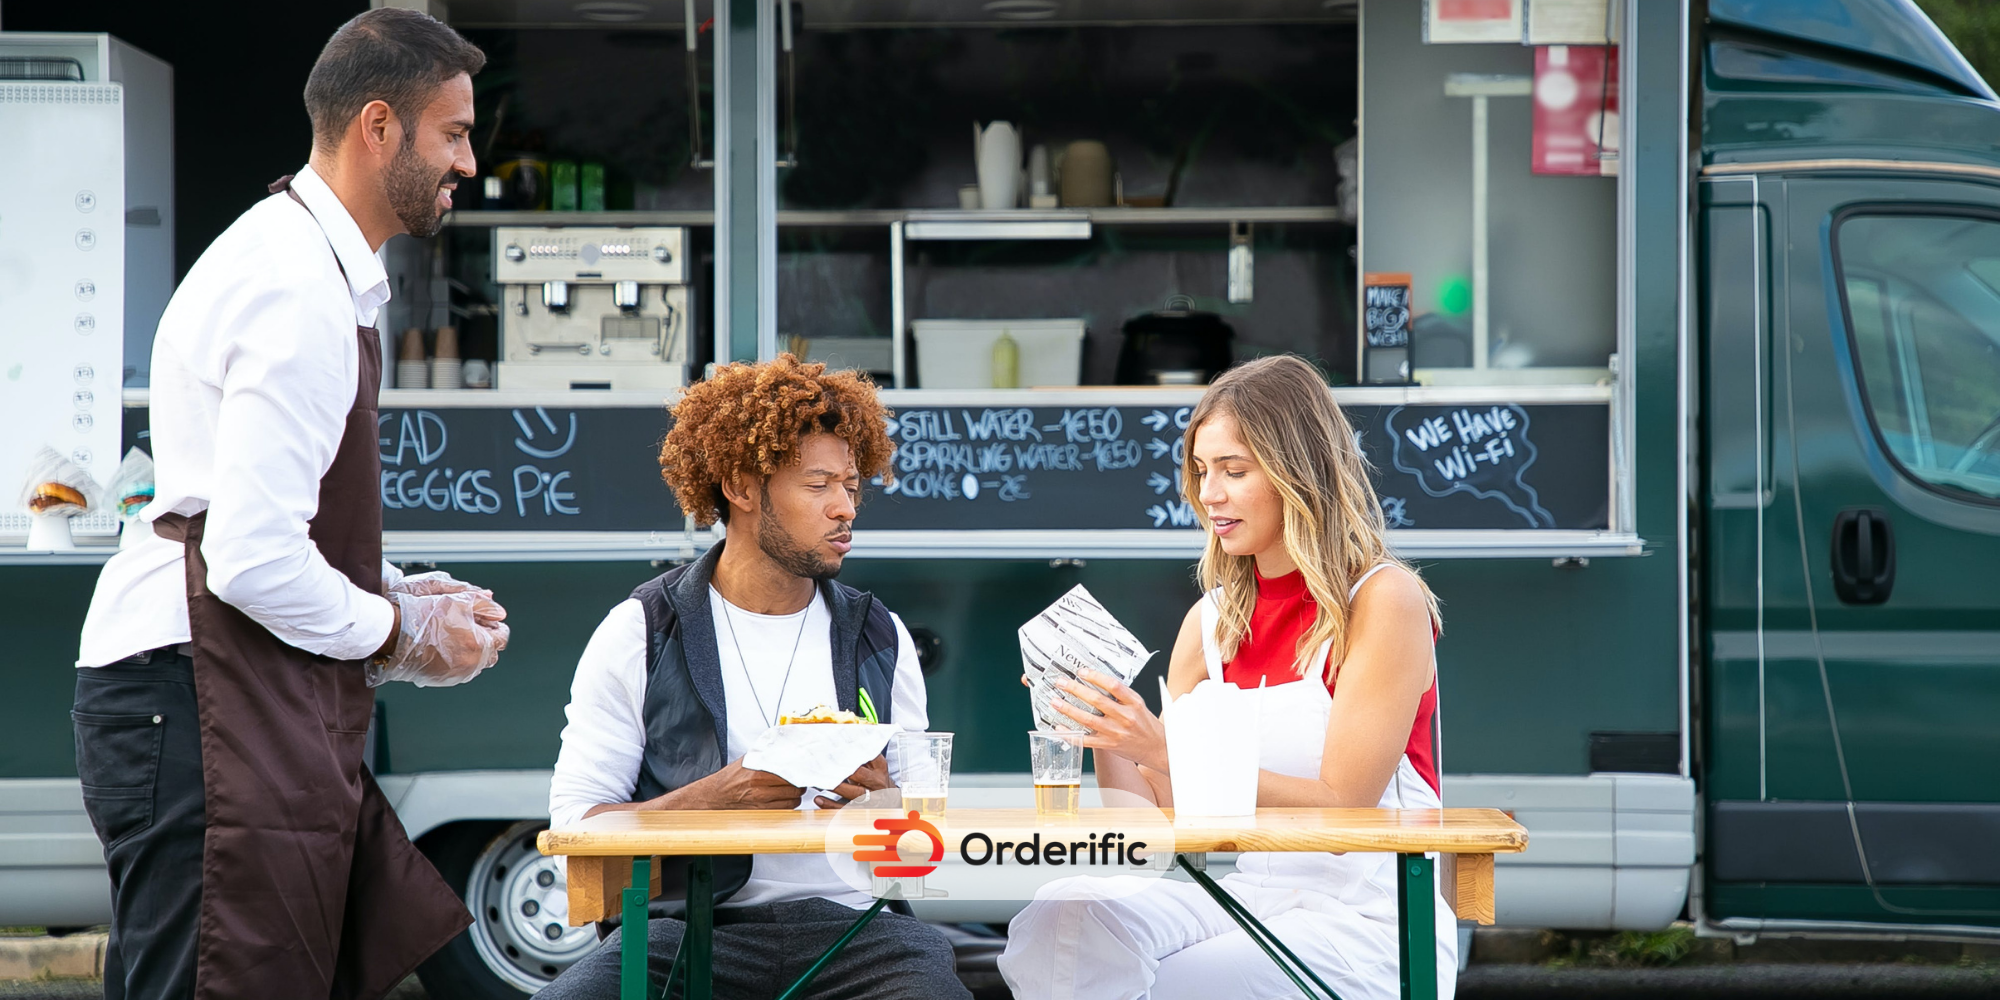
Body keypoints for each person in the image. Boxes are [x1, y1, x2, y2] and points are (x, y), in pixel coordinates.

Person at [72, 9, 508, 999]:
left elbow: (264, 524)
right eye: (454, 133)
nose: (469, 164)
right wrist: (401, 630)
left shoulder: (310, 262)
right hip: (192, 700)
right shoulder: (296, 288)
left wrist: (401, 591)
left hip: (212, 693)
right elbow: (254, 559)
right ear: (378, 126)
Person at [998, 354, 1458, 1000]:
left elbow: (1343, 808)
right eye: (1202, 471)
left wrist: (1162, 746)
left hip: (1369, 922)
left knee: (1173, 985)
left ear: (1299, 471)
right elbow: (1153, 824)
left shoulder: (1383, 601)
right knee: (1063, 919)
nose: (1209, 494)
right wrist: (1100, 725)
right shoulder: (1209, 622)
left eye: (1233, 471)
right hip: (1247, 895)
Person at [540, 355, 970, 999]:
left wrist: (882, 805)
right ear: (743, 487)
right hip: (684, 931)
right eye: (819, 484)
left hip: (857, 934)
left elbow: (917, 860)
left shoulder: (880, 634)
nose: (844, 509)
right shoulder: (641, 630)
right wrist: (714, 797)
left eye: (853, 485)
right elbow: (577, 830)